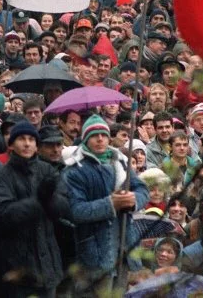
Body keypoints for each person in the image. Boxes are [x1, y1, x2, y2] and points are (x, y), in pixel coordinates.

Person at [63, 114, 149, 283]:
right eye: (94, 135)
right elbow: (76, 211)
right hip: (95, 253)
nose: (100, 139)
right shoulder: (74, 170)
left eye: (104, 135)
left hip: (125, 246)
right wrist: (111, 204)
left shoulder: (120, 162)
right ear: (86, 139)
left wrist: (133, 200)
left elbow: (142, 188)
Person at [0, 120, 70, 298]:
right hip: (19, 266)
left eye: (31, 140)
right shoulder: (1, 176)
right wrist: (40, 200)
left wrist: (50, 200)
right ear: (11, 145)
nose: (27, 144)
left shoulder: (47, 170)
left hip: (48, 261)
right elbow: (7, 214)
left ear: (36, 145)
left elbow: (63, 207)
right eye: (21, 139)